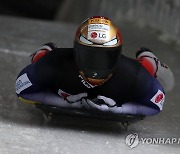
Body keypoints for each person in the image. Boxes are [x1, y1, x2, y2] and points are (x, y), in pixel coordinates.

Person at [15, 16, 174, 116]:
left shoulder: (134, 74)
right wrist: (67, 103)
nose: (97, 66)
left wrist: (117, 110)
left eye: (105, 57)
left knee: (149, 70)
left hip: (134, 73)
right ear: (76, 52)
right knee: (41, 59)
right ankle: (44, 51)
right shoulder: (54, 62)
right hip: (54, 62)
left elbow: (156, 106)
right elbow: (21, 89)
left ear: (116, 55)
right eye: (89, 55)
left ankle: (148, 59)